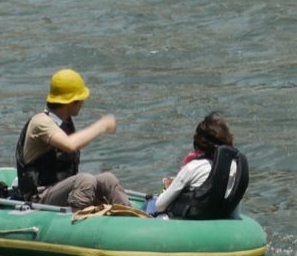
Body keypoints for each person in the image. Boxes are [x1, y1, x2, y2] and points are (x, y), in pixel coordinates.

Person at [14, 68, 128, 210]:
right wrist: (102, 125)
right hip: (40, 196)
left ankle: (131, 217)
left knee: (108, 180)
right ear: (71, 102)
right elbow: (70, 144)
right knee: (85, 180)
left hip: (61, 190)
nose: (83, 103)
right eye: (81, 99)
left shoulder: (65, 122)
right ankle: (78, 219)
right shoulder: (40, 122)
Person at [151, 111, 248, 219]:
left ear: (198, 143)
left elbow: (159, 206)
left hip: (189, 223)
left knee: (151, 205)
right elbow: (235, 211)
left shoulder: (193, 167)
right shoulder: (235, 168)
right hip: (222, 219)